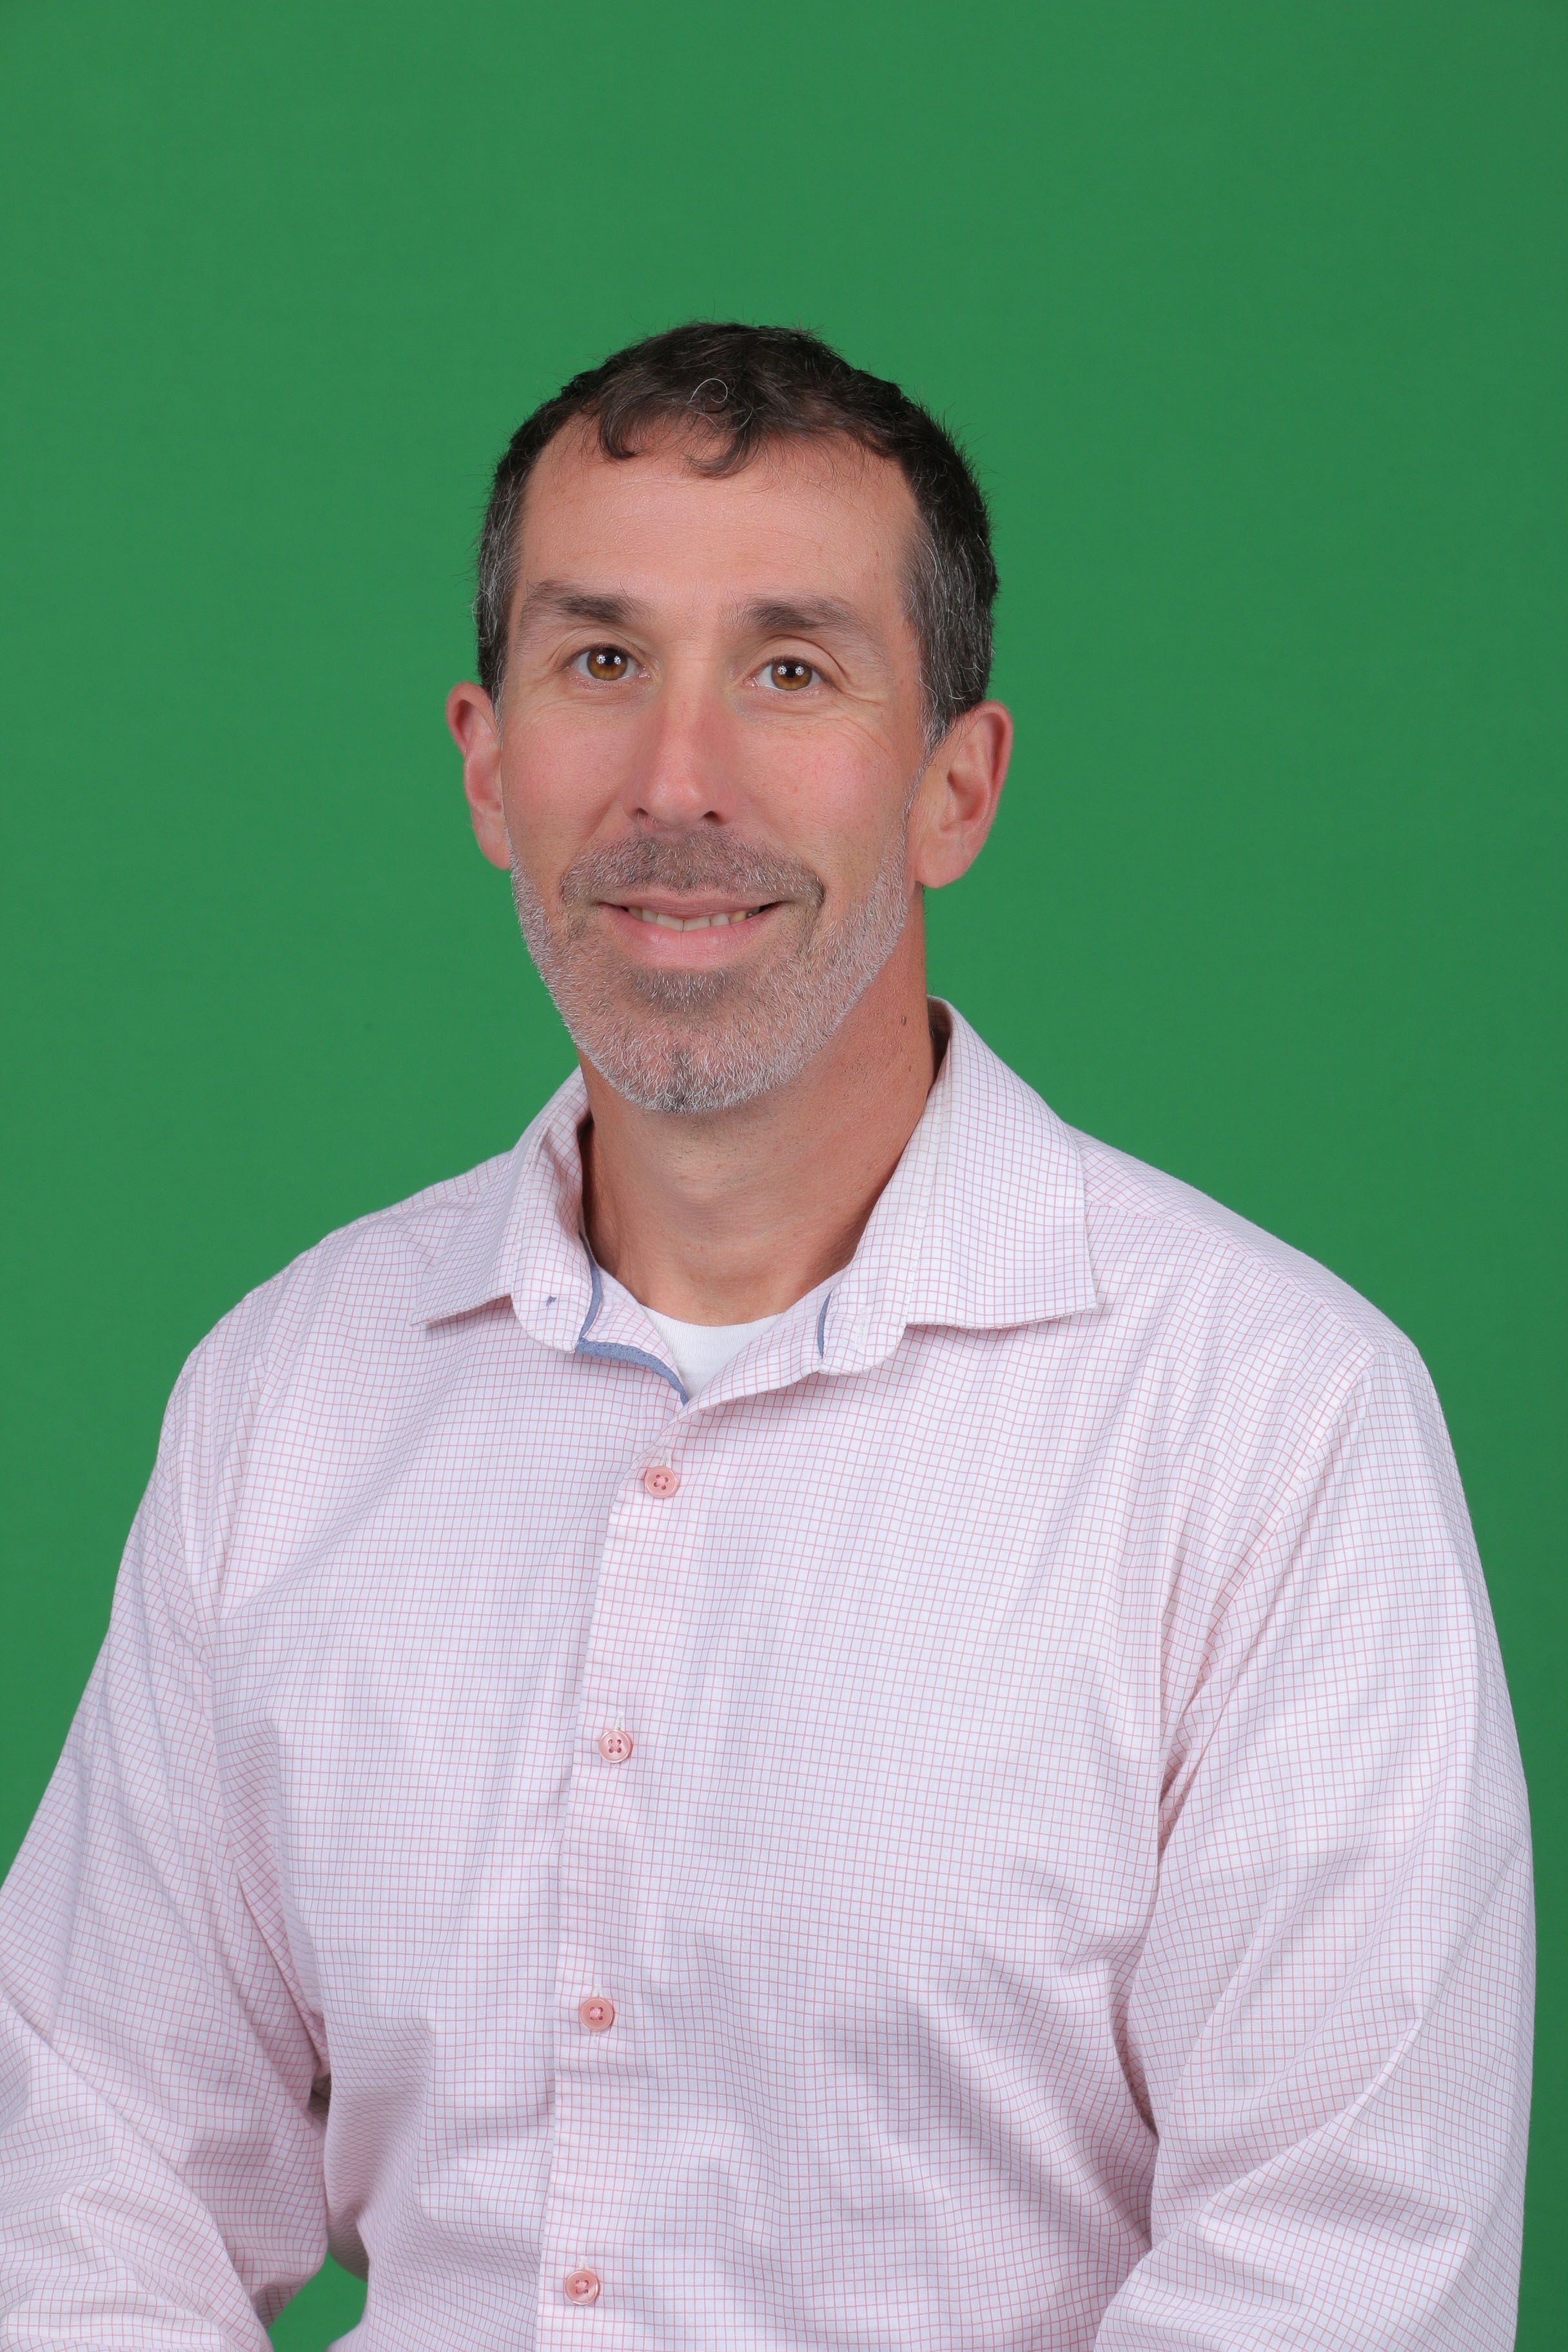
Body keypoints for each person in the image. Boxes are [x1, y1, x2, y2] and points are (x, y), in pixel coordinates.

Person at [0, 322, 1531, 2351]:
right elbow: (88, 2177)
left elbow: (1339, 2269)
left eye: (792, 670)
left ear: (955, 787)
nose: (677, 782)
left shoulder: (1275, 1424)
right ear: (485, 761)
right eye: (599, 660)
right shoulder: (283, 1400)